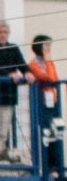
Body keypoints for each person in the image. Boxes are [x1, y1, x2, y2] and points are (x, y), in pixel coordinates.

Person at [0, 21, 34, 166]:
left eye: (5, 32)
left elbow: (22, 64)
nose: (3, 35)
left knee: (3, 132)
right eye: (0, 32)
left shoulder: (13, 48)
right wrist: (9, 74)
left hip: (7, 96)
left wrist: (28, 73)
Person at [28, 34, 62, 173]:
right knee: (46, 132)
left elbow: (54, 78)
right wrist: (47, 61)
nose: (48, 49)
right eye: (46, 45)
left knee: (57, 131)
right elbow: (46, 77)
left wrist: (48, 62)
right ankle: (47, 166)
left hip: (52, 101)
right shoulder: (33, 64)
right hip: (42, 102)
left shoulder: (50, 62)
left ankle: (56, 164)